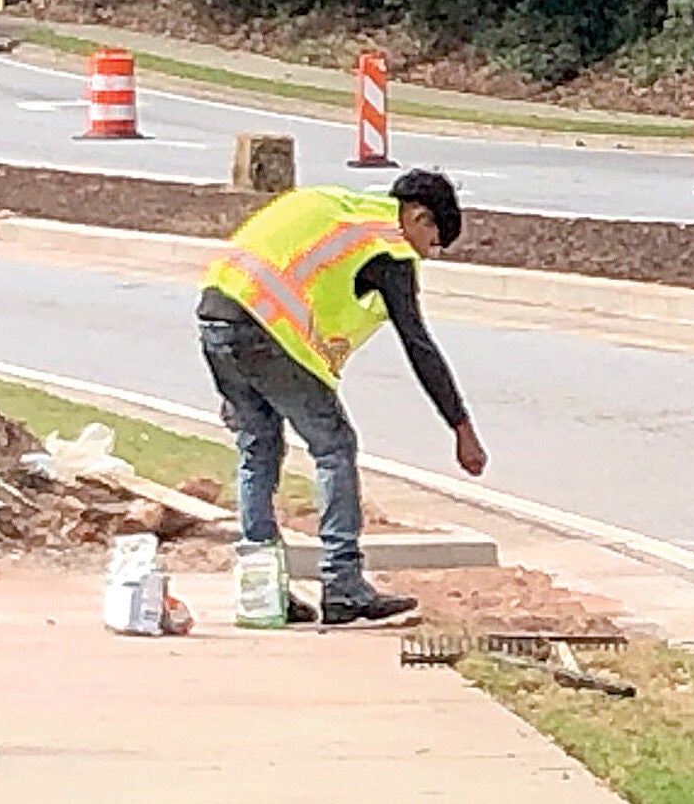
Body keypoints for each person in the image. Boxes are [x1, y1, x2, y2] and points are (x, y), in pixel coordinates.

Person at [198, 168, 488, 624]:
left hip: (217, 317)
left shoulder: (343, 210)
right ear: (419, 217)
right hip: (265, 332)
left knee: (258, 448)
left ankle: (262, 590)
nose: (427, 256)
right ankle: (343, 583)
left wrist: (237, 372)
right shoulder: (387, 248)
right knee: (334, 447)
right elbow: (417, 343)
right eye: (434, 244)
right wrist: (461, 426)